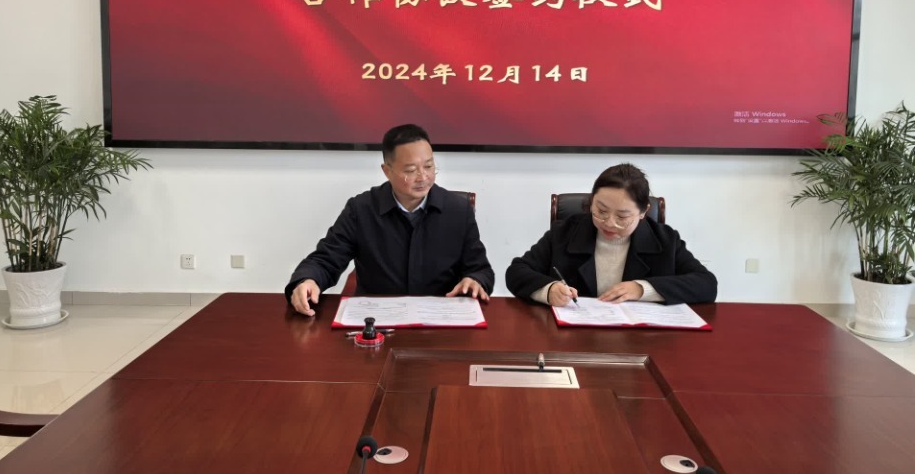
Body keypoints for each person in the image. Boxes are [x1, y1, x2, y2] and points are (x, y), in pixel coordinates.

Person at [285, 124, 494, 316]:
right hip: (377, 319)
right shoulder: (361, 209)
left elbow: (480, 269)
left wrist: (475, 280)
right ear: (387, 171)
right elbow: (326, 259)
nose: (423, 177)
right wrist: (307, 280)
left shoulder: (458, 210)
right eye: (411, 170)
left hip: (440, 318)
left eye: (429, 166)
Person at [506, 163, 716, 307]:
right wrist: (549, 289)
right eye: (601, 210)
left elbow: (707, 284)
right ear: (592, 201)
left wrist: (642, 289)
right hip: (573, 338)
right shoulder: (565, 232)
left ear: (643, 211)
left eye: (622, 217)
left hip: (642, 341)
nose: (609, 223)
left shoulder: (665, 240)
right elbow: (516, 272)